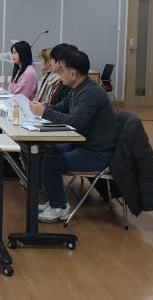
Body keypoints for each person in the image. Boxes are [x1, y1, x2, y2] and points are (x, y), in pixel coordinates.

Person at [29, 50, 119, 223]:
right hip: (84, 145)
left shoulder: (90, 93)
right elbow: (61, 108)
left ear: (73, 74)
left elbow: (75, 123)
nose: (59, 73)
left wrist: (45, 112)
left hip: (97, 152)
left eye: (62, 70)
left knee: (51, 163)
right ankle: (56, 201)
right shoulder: (77, 88)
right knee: (47, 150)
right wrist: (43, 107)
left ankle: (59, 208)